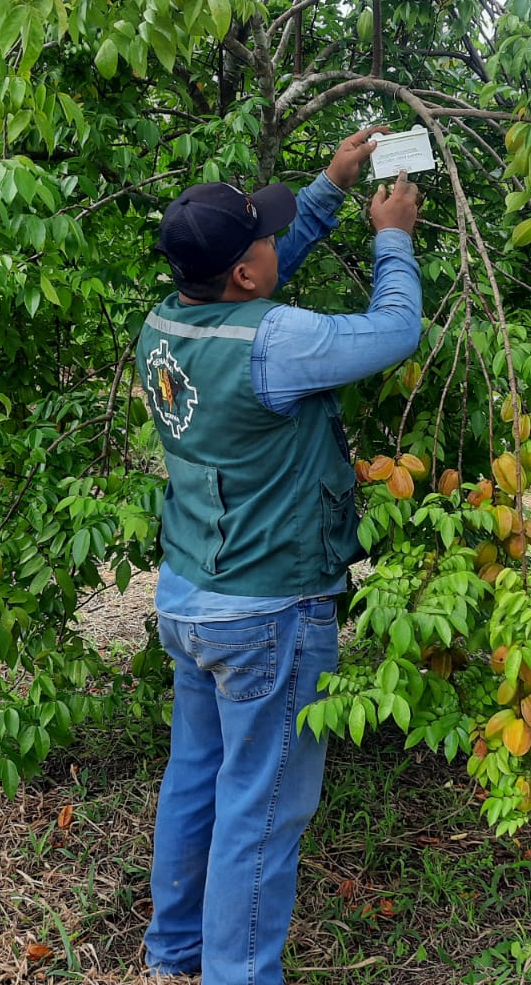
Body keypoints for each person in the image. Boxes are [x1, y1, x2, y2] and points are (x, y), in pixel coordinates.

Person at [137, 127, 422, 985]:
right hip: (267, 610)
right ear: (245, 274)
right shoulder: (278, 343)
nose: (274, 237)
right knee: (261, 814)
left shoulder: (169, 322)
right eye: (266, 232)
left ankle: (172, 955)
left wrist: (328, 189)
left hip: (190, 595)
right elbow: (392, 332)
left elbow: (261, 285)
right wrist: (395, 239)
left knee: (197, 777)